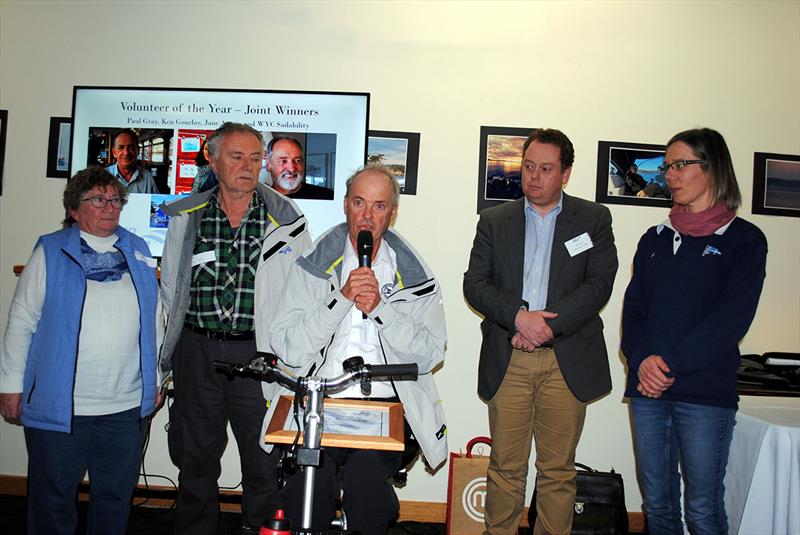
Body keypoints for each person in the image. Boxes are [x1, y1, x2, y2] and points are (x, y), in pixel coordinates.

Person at [264, 167, 447, 533]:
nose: (367, 216)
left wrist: (381, 309)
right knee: (306, 487)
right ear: (346, 205)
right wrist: (340, 299)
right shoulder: (312, 266)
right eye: (360, 203)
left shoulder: (414, 274)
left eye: (379, 206)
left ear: (391, 213)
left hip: (385, 406)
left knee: (367, 485)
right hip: (322, 403)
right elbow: (288, 347)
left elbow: (430, 354)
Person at [463, 128, 618, 535]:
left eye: (546, 169)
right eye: (528, 167)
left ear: (565, 174)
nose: (533, 177)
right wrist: (519, 318)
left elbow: (599, 285)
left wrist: (544, 327)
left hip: (566, 361)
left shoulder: (594, 218)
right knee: (505, 467)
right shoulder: (495, 221)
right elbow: (475, 283)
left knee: (557, 471)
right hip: (510, 357)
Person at [158, 122, 310, 535]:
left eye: (256, 158)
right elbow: (171, 290)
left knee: (264, 462)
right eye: (237, 156)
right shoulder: (187, 214)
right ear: (213, 158)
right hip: (197, 352)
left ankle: (258, 529)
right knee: (196, 459)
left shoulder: (288, 219)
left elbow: (302, 292)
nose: (248, 166)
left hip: (257, 356)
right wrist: (164, 361)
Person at [621, 128, 767, 534]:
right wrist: (640, 360)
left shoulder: (745, 241)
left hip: (704, 393)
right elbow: (633, 313)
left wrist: (667, 364)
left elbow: (731, 320)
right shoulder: (654, 239)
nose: (670, 174)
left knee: (703, 510)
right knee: (658, 508)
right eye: (667, 166)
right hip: (647, 392)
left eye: (680, 164)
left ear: (712, 168)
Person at [0, 166, 160, 535]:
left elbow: (154, 319)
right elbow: (22, 319)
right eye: (98, 199)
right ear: (74, 209)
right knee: (53, 498)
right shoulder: (51, 251)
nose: (110, 206)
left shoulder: (137, 249)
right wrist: (11, 385)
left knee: (115, 496)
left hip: (123, 405)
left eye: (115, 199)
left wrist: (155, 379)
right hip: (63, 406)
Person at [266, 136, 334, 199]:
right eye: (283, 161)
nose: (292, 169)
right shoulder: (260, 199)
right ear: (269, 165)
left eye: (297, 160)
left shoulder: (327, 196)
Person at [105, 129, 160, 193]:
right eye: (121, 147)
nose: (126, 153)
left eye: (131, 147)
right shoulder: (103, 176)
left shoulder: (147, 177)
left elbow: (155, 201)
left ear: (138, 151)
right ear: (114, 152)